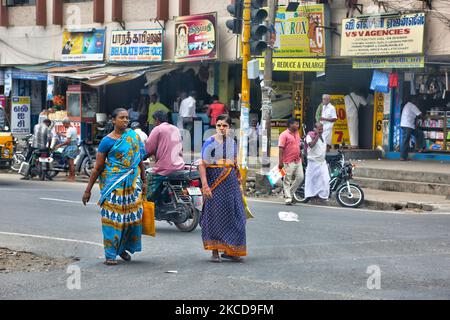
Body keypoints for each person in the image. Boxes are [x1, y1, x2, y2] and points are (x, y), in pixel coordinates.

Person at [82, 108, 147, 266]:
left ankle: (122, 248)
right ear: (113, 120)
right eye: (121, 118)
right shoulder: (107, 141)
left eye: (127, 118)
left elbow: (139, 160)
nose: (125, 120)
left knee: (130, 219)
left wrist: (144, 181)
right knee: (112, 219)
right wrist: (87, 190)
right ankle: (110, 254)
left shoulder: (133, 137)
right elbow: (97, 167)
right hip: (113, 186)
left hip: (132, 186)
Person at [199, 114, 246, 262]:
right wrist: (205, 185)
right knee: (215, 216)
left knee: (236, 215)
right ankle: (215, 251)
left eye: (224, 125)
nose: (221, 128)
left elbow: (234, 163)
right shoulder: (210, 142)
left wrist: (239, 184)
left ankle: (231, 249)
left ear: (229, 127)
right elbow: (202, 164)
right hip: (215, 183)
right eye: (219, 125)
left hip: (231, 184)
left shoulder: (233, 142)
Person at [145, 110, 185, 201]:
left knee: (147, 183)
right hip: (179, 166)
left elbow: (149, 148)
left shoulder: (158, 129)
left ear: (157, 120)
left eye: (154, 120)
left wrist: (143, 156)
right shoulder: (175, 129)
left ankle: (148, 206)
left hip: (164, 167)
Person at [278, 118, 304, 205]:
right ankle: (288, 198)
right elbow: (281, 148)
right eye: (296, 124)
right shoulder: (284, 135)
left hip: (297, 160)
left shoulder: (297, 133)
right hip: (288, 161)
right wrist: (280, 162)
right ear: (290, 124)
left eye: (298, 124)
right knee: (287, 180)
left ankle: (289, 194)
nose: (297, 126)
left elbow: (298, 146)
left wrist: (301, 156)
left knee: (300, 177)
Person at [304, 122, 330, 202]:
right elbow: (311, 145)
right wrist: (317, 136)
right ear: (314, 129)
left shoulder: (324, 136)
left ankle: (322, 196)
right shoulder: (310, 135)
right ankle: (310, 195)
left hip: (322, 162)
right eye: (319, 129)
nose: (321, 131)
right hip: (313, 162)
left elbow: (324, 147)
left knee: (325, 179)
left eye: (322, 129)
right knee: (312, 180)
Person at [400, 97, 425, 161]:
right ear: (413, 100)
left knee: (419, 133)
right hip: (407, 125)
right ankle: (403, 157)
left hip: (409, 125)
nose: (417, 102)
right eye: (416, 101)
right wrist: (424, 117)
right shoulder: (412, 105)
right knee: (406, 140)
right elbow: (420, 114)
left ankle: (419, 148)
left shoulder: (408, 105)